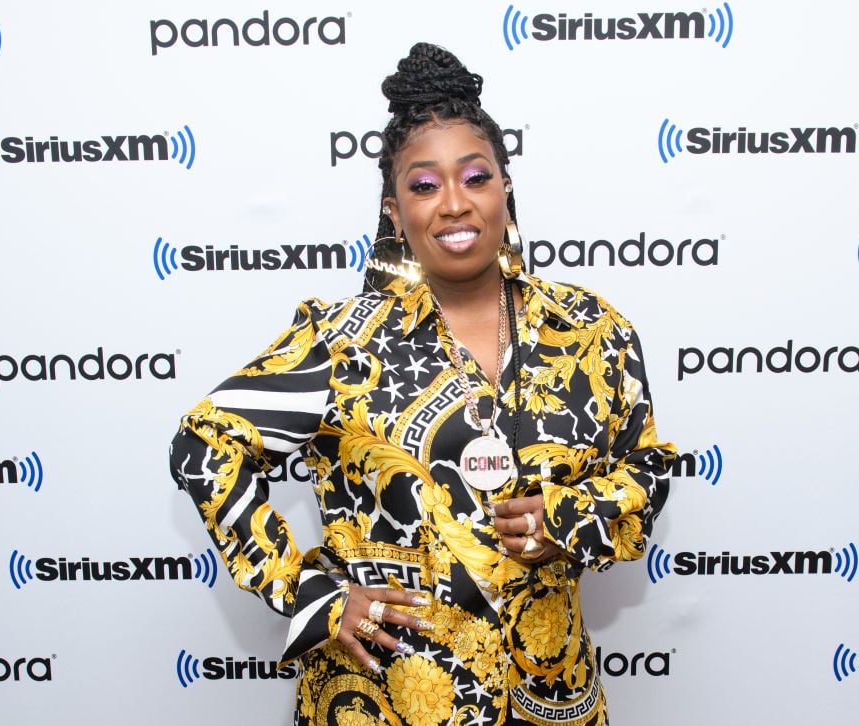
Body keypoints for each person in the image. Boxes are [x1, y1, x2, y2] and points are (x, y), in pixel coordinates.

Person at [169, 42, 675, 726]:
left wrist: (572, 516)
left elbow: (646, 470)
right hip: (386, 702)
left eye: (476, 176)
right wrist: (310, 593)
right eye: (424, 185)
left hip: (549, 701)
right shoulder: (340, 342)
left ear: (505, 189)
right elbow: (206, 444)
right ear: (393, 212)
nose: (455, 205)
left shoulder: (590, 329)